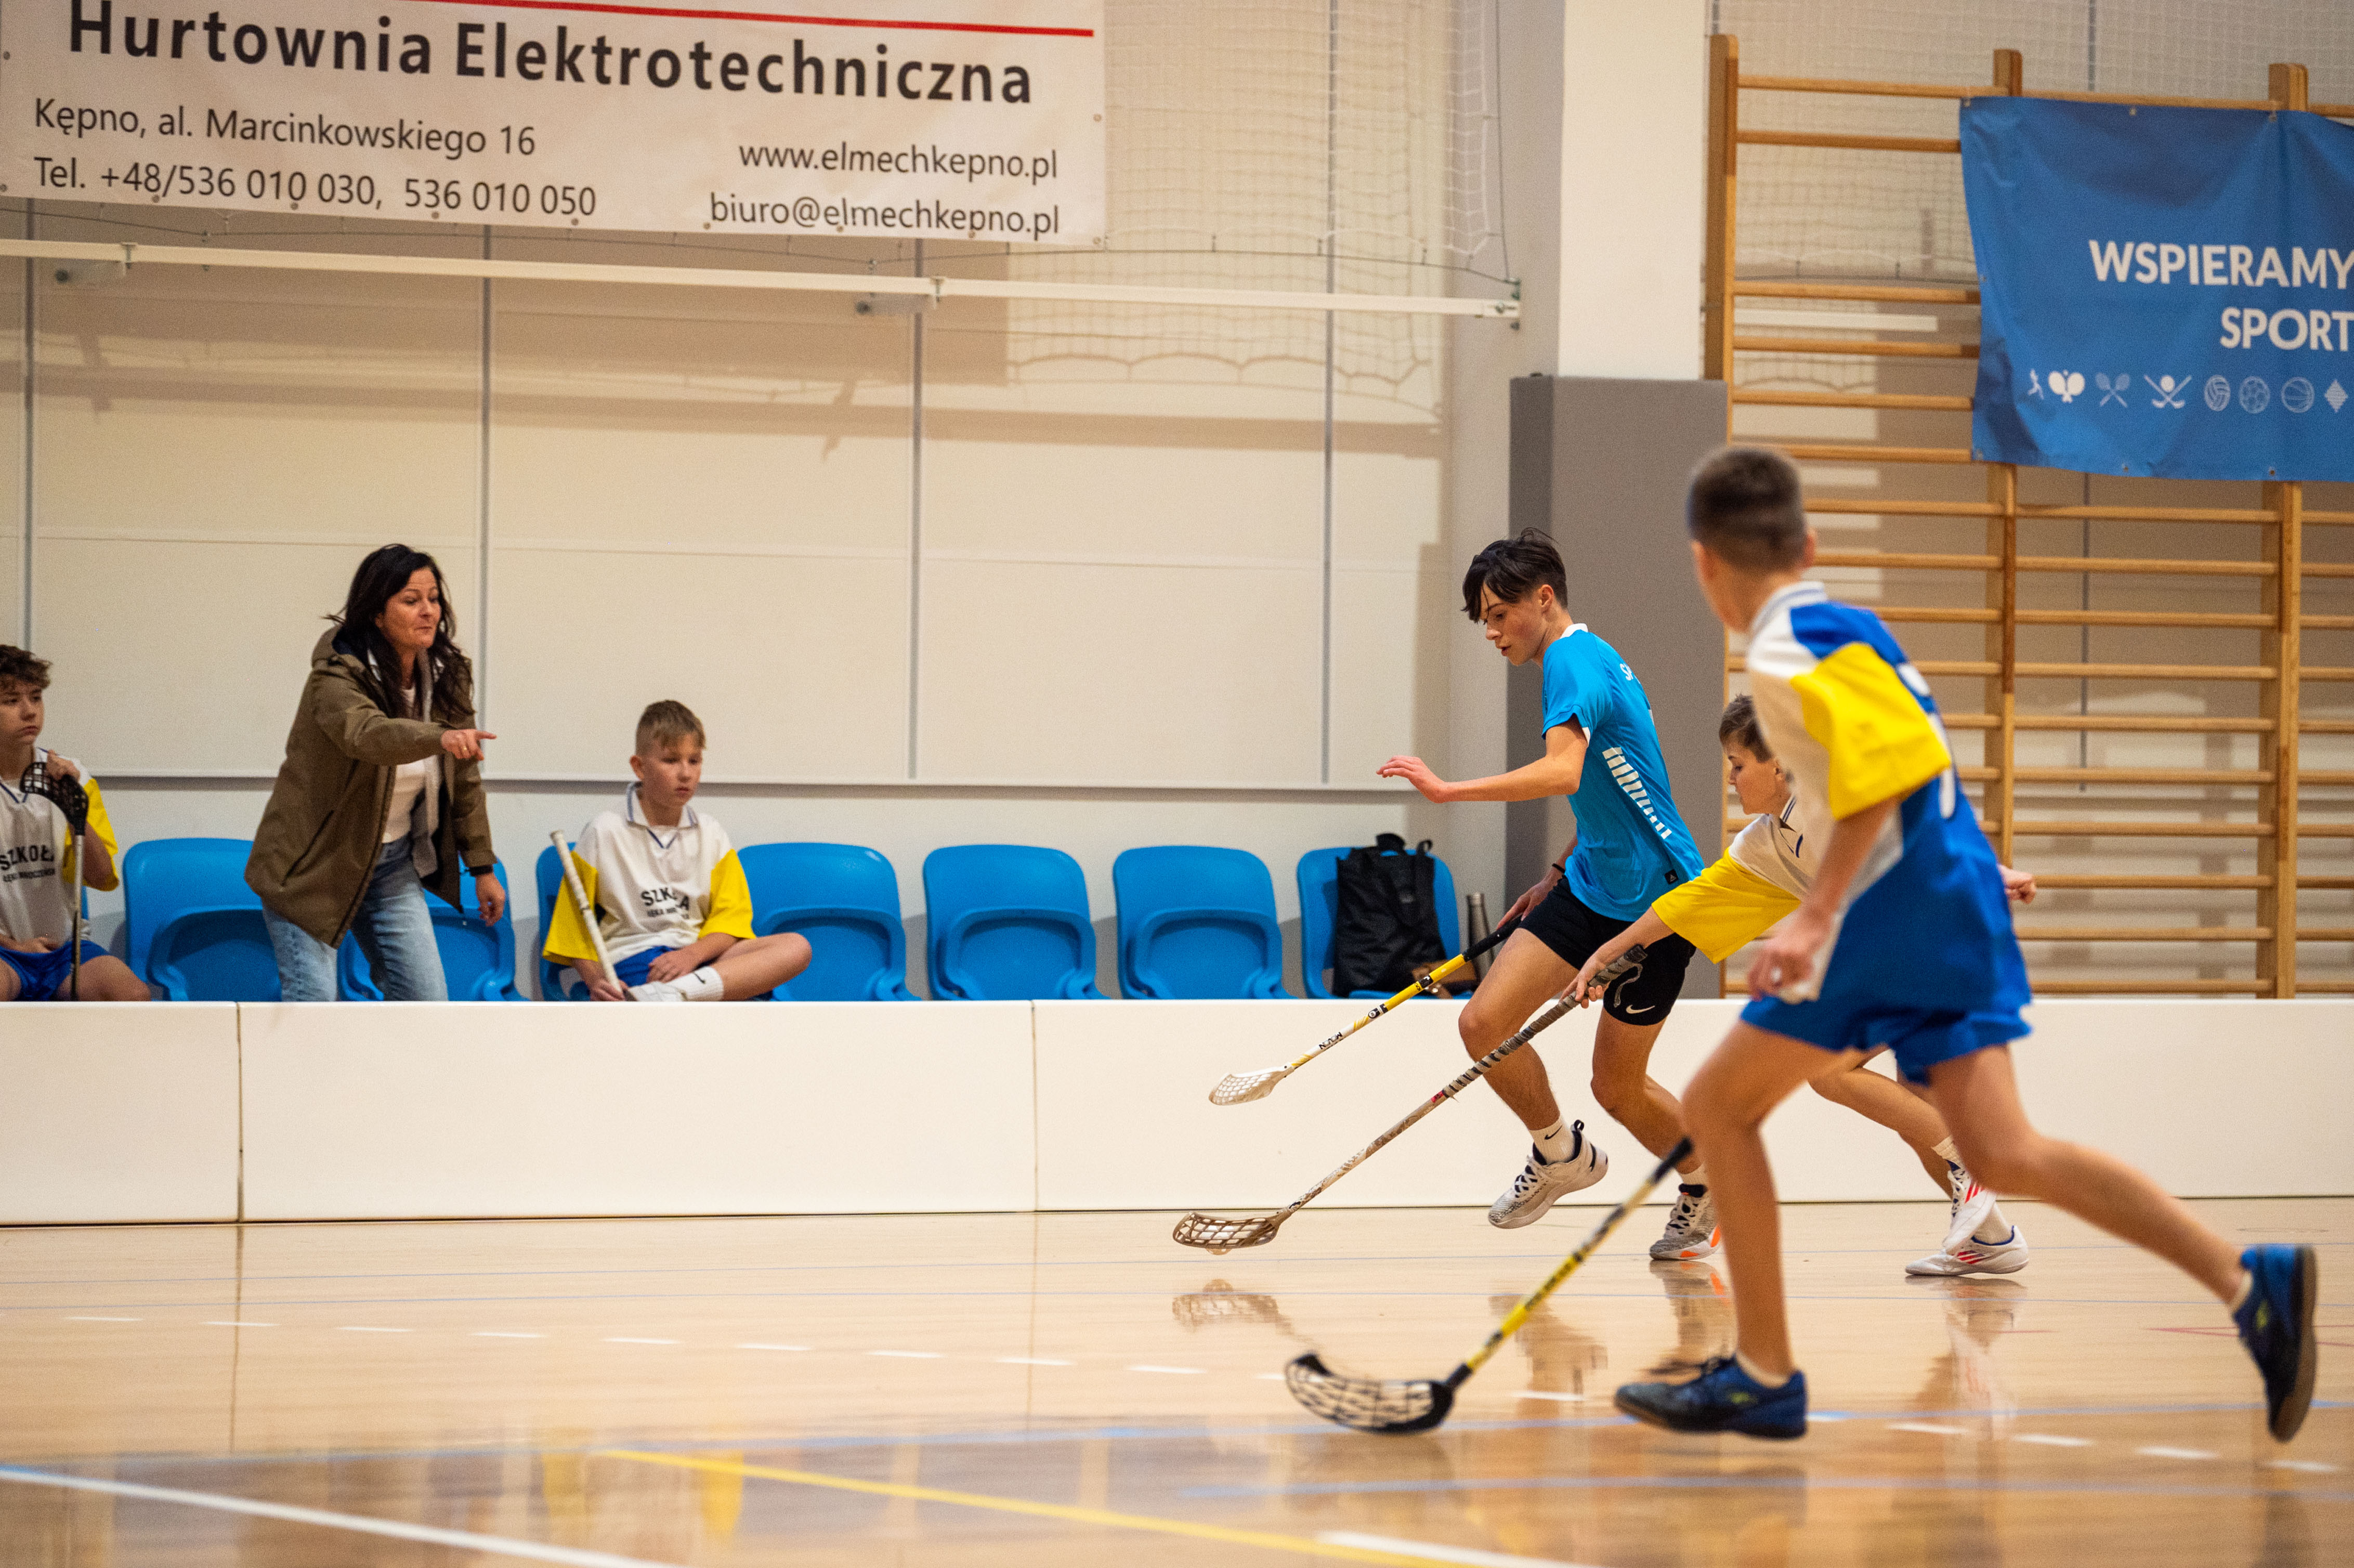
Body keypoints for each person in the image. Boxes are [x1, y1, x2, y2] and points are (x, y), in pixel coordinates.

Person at [1612, 447, 2316, 1443]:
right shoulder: (1850, 627)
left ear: (1702, 564)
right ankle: (2248, 1280)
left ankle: (1763, 1372)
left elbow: (1888, 777)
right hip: (1949, 904)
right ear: (1807, 545)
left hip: (1897, 915)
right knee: (2002, 1150)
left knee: (1720, 1104)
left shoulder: (1778, 652)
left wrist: (1814, 916)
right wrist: (1974, 874)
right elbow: (1924, 764)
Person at [1569, 695, 2034, 1276]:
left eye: (1738, 764)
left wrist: (1997, 872)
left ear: (1779, 766)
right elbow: (1695, 900)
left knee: (1831, 1070)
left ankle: (1974, 1163)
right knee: (1916, 1113)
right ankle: (1991, 1239)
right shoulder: (1768, 842)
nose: (1731, 778)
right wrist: (1609, 950)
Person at [1378, 529, 1715, 1259]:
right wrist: (1556, 873)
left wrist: (1448, 790)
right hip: (1590, 882)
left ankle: (1706, 1181)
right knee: (1483, 1022)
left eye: (1500, 614)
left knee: (1618, 1088)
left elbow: (1563, 772)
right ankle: (1560, 1153)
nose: (1492, 632)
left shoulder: (1571, 659)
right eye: (1484, 620)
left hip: (1659, 901)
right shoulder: (1581, 660)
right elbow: (1606, 786)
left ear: (1543, 598)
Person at [249, 545, 503, 1000]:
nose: (428, 611)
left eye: (434, 598)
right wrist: (440, 736)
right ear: (377, 615)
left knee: (427, 1004)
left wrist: (482, 867)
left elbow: (464, 780)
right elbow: (368, 735)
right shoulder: (335, 677)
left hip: (392, 864)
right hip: (314, 863)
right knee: (313, 1004)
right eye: (411, 600)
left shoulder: (447, 674)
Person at [544, 700, 811, 1002]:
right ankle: (674, 996)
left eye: (694, 761)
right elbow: (574, 931)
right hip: (636, 960)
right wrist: (597, 981)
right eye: (671, 761)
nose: (686, 774)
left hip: (701, 961)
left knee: (796, 947)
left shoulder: (712, 832)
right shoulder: (603, 831)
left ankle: (671, 996)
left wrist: (691, 956)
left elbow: (731, 923)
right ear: (640, 767)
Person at [0, 646, 149, 1001]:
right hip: (5, 951)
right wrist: (14, 945)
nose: (30, 711)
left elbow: (100, 876)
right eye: (11, 701)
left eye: (36, 697)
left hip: (65, 949)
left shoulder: (73, 777)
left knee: (132, 996)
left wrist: (72, 806)